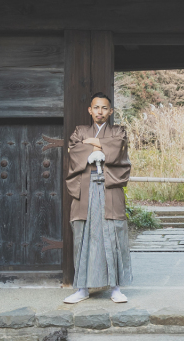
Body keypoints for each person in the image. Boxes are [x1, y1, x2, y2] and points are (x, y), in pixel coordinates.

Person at [63, 92, 133, 304]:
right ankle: (82, 288)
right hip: (85, 188)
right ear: (90, 110)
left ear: (110, 111)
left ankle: (116, 288)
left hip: (109, 187)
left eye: (104, 108)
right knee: (83, 236)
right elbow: (74, 149)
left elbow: (119, 147)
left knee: (112, 235)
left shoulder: (118, 131)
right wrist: (102, 144)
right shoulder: (80, 131)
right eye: (96, 108)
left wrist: (93, 142)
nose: (100, 112)